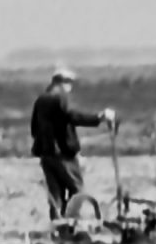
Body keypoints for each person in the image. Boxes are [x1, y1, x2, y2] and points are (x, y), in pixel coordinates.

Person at [29, 68, 115, 227]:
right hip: (63, 155)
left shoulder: (40, 100)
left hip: (46, 155)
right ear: (60, 83)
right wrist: (99, 117)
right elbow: (73, 117)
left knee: (56, 195)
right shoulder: (59, 99)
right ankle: (72, 223)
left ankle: (57, 227)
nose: (70, 87)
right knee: (78, 190)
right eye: (69, 83)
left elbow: (34, 128)